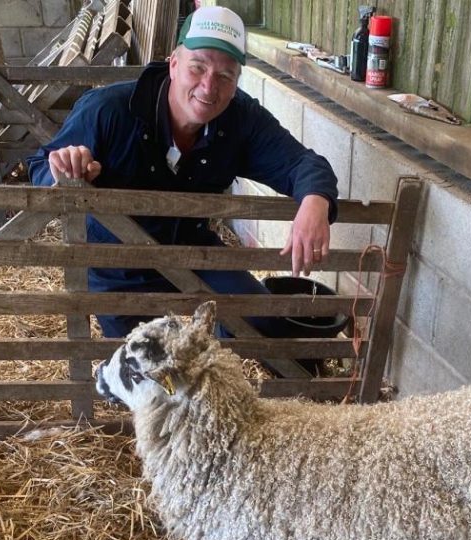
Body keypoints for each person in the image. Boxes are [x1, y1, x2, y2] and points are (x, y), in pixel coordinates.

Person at [27, 6, 339, 339]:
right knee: (146, 370)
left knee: (262, 321)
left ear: (236, 82)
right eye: (198, 67)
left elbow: (303, 163)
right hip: (117, 265)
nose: (208, 87)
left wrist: (315, 201)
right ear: (173, 63)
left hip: (193, 250)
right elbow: (40, 167)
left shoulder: (240, 120)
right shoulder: (108, 110)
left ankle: (216, 356)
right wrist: (65, 170)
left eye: (225, 76)